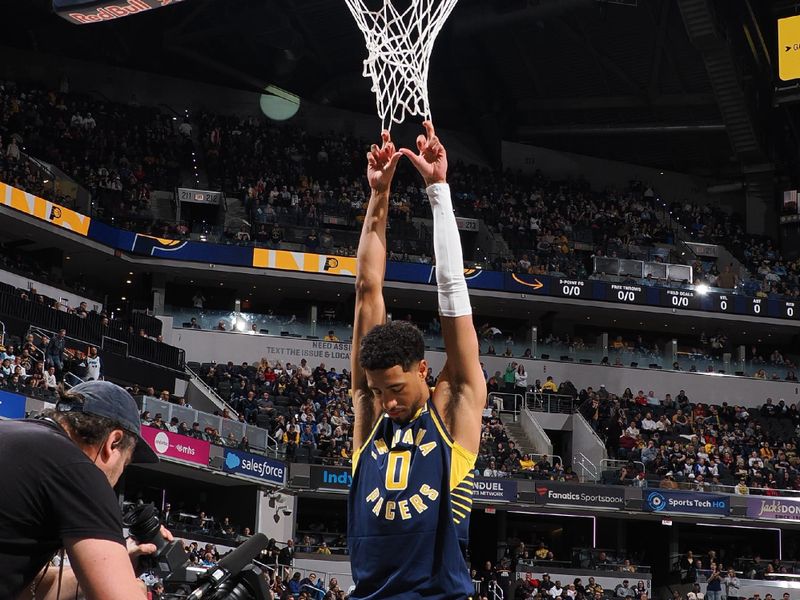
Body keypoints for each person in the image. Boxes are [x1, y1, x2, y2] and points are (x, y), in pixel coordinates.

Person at [348, 124, 486, 599]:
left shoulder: (452, 409)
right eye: (379, 391)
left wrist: (437, 192)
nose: (385, 403)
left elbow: (454, 298)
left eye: (395, 390)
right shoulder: (369, 416)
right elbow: (367, 289)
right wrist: (379, 194)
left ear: (422, 371)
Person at [0, 380, 163, 600]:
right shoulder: (78, 469)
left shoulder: (13, 433)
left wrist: (114, 563)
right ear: (113, 442)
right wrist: (138, 591)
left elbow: (24, 587)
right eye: (124, 465)